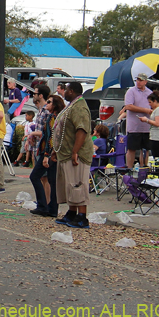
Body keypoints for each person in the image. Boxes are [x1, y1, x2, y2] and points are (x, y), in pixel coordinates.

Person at [52, 81, 93, 229]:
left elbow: (81, 130)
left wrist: (75, 151)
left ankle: (82, 216)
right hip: (65, 152)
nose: (64, 92)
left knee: (77, 184)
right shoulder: (71, 106)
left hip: (77, 154)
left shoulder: (80, 107)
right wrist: (56, 150)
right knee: (69, 184)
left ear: (72, 91)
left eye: (67, 90)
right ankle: (72, 212)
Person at [29, 88, 62, 218]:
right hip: (49, 151)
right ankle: (50, 208)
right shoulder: (53, 117)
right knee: (51, 179)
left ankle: (44, 206)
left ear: (55, 105)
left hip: (49, 152)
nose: (47, 104)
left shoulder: (53, 118)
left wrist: (47, 155)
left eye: (49, 102)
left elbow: (50, 137)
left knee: (36, 176)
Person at [124, 73, 153, 168]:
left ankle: (144, 169)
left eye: (141, 80)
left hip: (146, 127)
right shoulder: (131, 91)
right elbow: (128, 106)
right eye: (137, 80)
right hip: (134, 127)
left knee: (146, 149)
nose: (138, 82)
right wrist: (145, 110)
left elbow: (154, 106)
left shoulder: (150, 93)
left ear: (145, 82)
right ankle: (129, 169)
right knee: (131, 149)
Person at [138, 93, 159, 158]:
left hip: (157, 136)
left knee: (156, 154)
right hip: (153, 135)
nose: (149, 104)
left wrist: (147, 120)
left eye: (150, 102)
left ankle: (158, 164)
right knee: (154, 153)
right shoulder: (156, 109)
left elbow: (157, 123)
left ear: (155, 101)